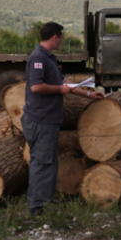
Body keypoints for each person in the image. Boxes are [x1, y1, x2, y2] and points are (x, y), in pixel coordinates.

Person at [22, 21, 104, 216]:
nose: (62, 40)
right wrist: (59, 90)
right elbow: (36, 87)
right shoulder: (38, 58)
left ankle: (44, 203)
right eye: (61, 37)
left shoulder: (49, 58)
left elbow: (63, 82)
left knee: (48, 161)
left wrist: (88, 94)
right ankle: (36, 207)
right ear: (54, 37)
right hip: (40, 120)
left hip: (48, 120)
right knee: (41, 162)